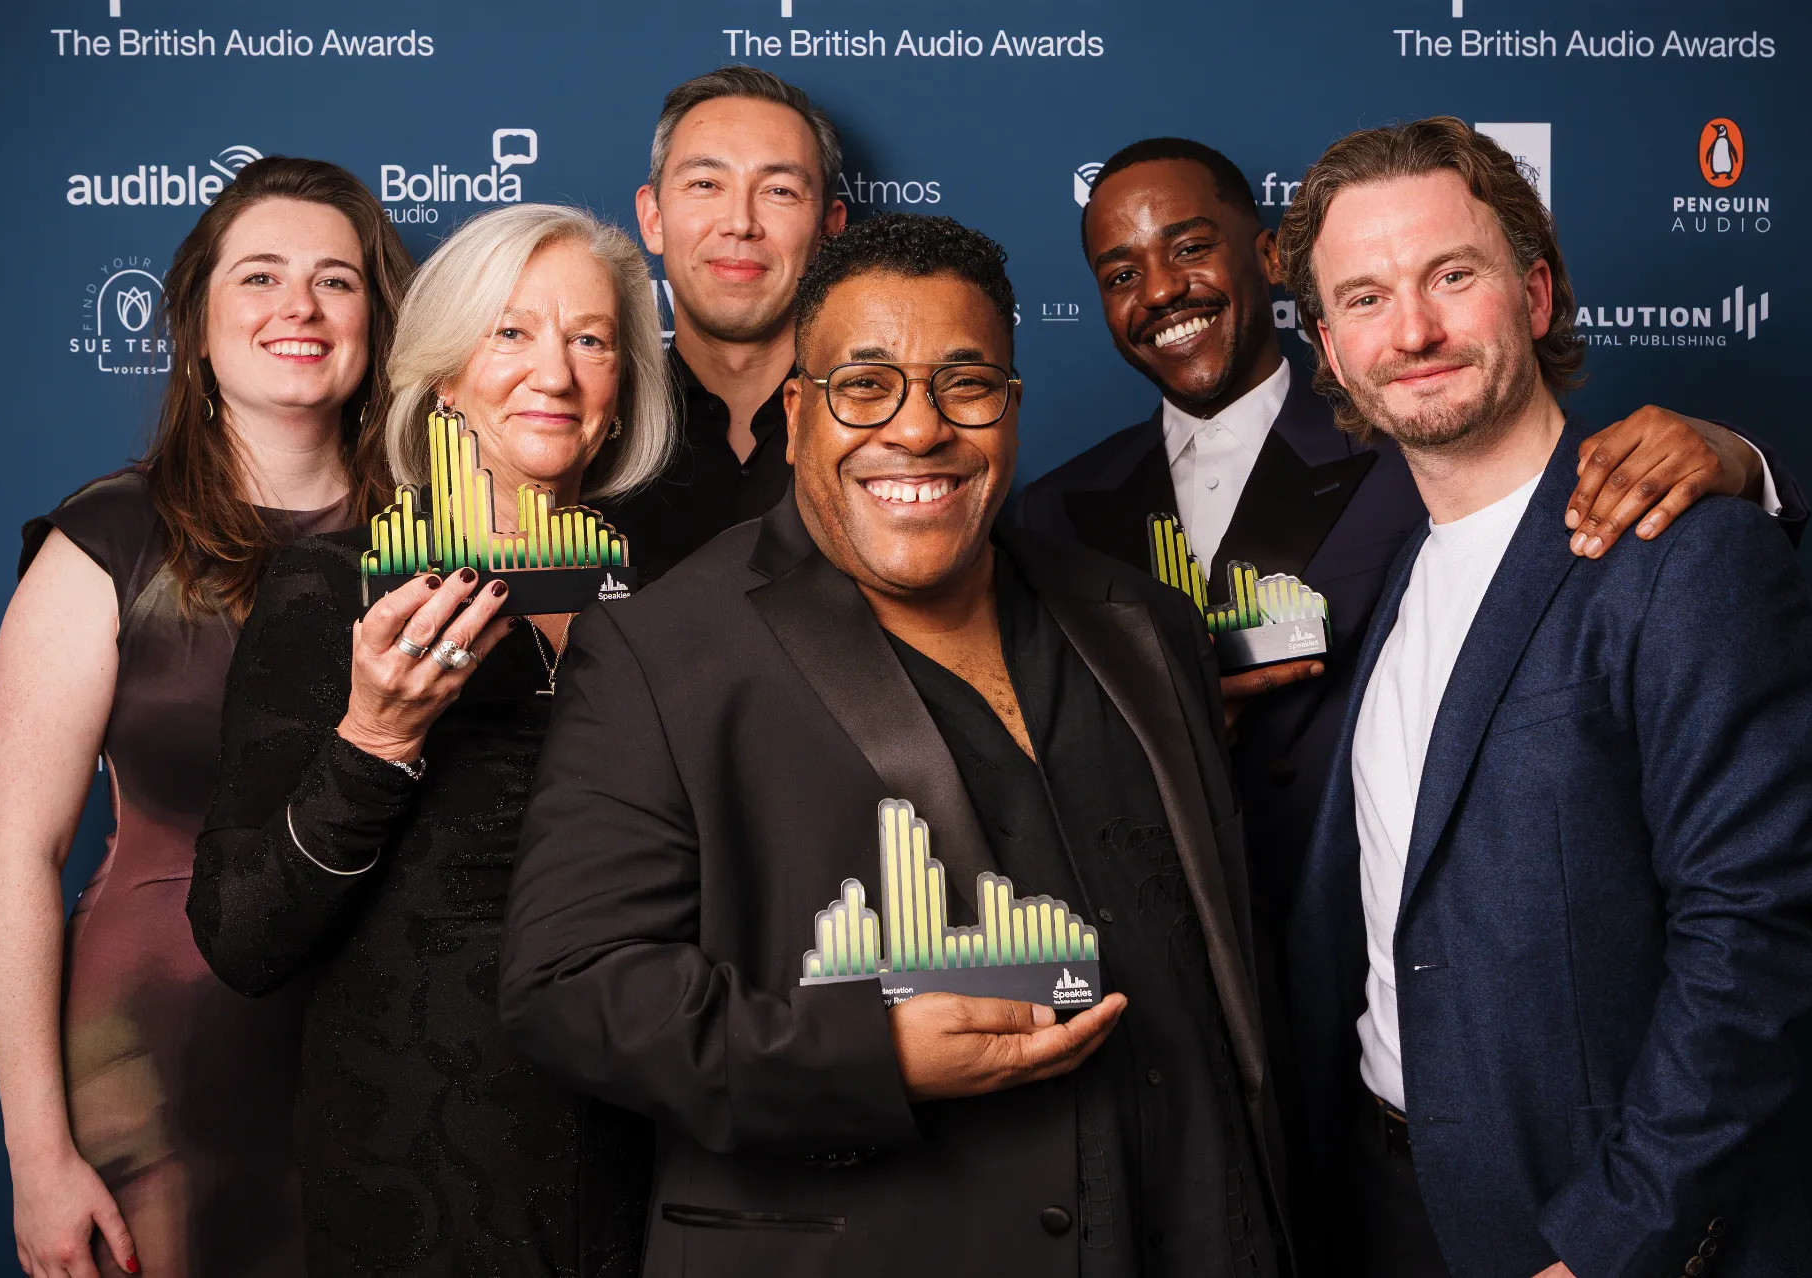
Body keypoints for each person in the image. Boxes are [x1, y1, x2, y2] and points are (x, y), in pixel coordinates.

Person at [503, 212, 1293, 1277]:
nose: (918, 430)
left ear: (1011, 409)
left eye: (965, 385)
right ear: (798, 416)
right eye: (865, 386)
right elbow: (571, 987)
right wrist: (867, 1056)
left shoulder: (1144, 626)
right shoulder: (661, 651)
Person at [1274, 117, 1812, 1277]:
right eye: (1366, 298)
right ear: (1330, 347)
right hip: (1382, 1205)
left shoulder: (1688, 552)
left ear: (1534, 295)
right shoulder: (1390, 568)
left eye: (1452, 276)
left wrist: (1615, 1241)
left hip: (1584, 1227)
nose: (1413, 331)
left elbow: (1750, 940)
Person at [1009, 137, 1807, 933]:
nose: (1159, 290)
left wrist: (1740, 458)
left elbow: (1570, 503)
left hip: (1385, 942)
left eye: (1189, 248)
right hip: (1174, 953)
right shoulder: (1049, 514)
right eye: (1121, 275)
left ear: (1269, 257)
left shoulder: (1417, 432)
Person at [184, 203, 676, 1277]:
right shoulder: (334, 590)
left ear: (623, 387)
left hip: (653, 1185)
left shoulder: (672, 610)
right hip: (423, 1193)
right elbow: (241, 939)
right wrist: (376, 737)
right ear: (446, 377)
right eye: (511, 333)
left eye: (590, 339)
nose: (555, 372)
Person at [0, 156, 409, 1278]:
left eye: (335, 281)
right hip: (161, 1058)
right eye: (259, 277)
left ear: (377, 321)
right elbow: (17, 855)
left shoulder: (435, 540)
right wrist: (36, 1154)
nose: (298, 307)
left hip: (393, 1043)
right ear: (196, 325)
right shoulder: (108, 541)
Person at [604, 65, 847, 580]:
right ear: (653, 219)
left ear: (828, 232)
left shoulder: (880, 427)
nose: (740, 223)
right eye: (705, 184)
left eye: (779, 191)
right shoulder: (589, 428)